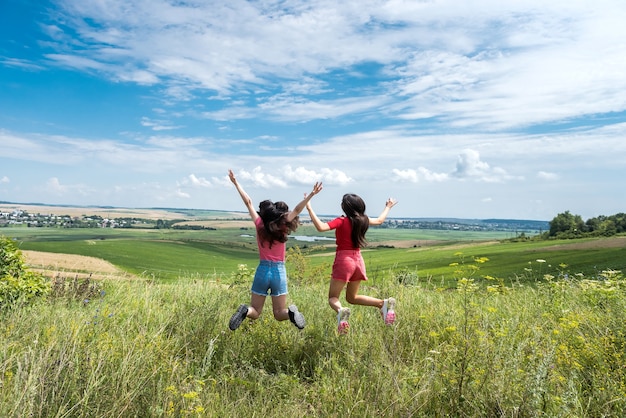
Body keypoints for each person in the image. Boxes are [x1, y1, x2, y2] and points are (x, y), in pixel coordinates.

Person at [227, 169, 323, 331]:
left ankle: (245, 311)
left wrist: (236, 183)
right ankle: (291, 314)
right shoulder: (283, 225)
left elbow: (248, 202)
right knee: (279, 313)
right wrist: (310, 196)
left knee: (255, 311)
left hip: (262, 270)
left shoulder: (259, 225)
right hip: (279, 271)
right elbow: (297, 211)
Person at [306, 193, 398, 334]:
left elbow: (321, 227)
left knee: (333, 297)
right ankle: (382, 304)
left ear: (345, 207)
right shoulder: (363, 220)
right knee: (352, 298)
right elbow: (379, 220)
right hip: (358, 261)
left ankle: (340, 311)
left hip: (344, 261)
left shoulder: (341, 221)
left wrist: (309, 208)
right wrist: (388, 207)